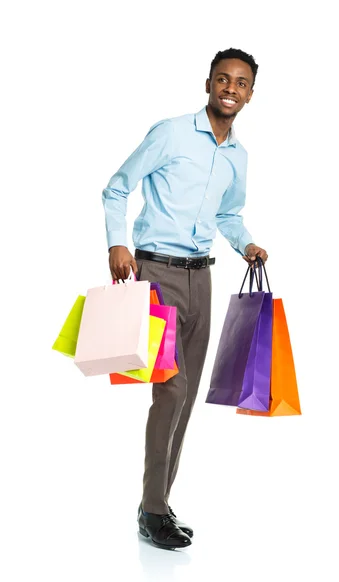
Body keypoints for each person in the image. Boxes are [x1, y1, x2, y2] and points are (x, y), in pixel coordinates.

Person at [101, 47, 268, 550]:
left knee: (187, 394)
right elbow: (116, 188)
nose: (230, 89)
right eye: (223, 79)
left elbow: (228, 215)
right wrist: (117, 243)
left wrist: (246, 243)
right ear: (208, 84)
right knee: (170, 389)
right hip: (156, 273)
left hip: (203, 279)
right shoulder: (172, 132)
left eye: (241, 83)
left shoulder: (237, 155)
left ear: (251, 93)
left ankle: (158, 502)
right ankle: (152, 508)